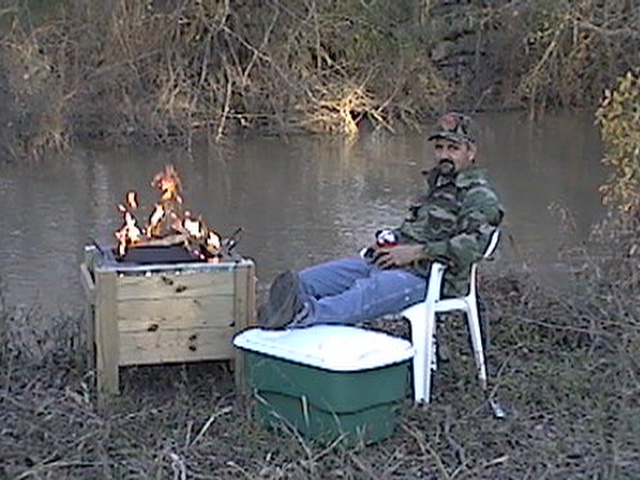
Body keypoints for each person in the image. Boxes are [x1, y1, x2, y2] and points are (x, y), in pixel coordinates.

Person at [258, 112, 504, 330]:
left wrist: (417, 252)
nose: (444, 155)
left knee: (364, 293)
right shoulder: (436, 185)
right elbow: (415, 229)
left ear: (471, 152)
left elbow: (474, 246)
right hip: (392, 261)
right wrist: (390, 240)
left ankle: (301, 317)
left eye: (453, 148)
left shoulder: (479, 195)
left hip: (431, 279)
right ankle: (282, 314)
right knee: (306, 281)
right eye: (439, 148)